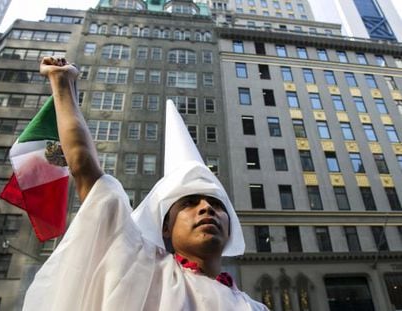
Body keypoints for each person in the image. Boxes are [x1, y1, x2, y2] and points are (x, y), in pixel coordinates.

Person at [22, 57, 269, 310]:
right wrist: (62, 82)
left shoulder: (256, 308)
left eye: (217, 204)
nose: (206, 208)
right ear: (165, 227)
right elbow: (84, 167)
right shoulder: (140, 268)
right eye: (189, 203)